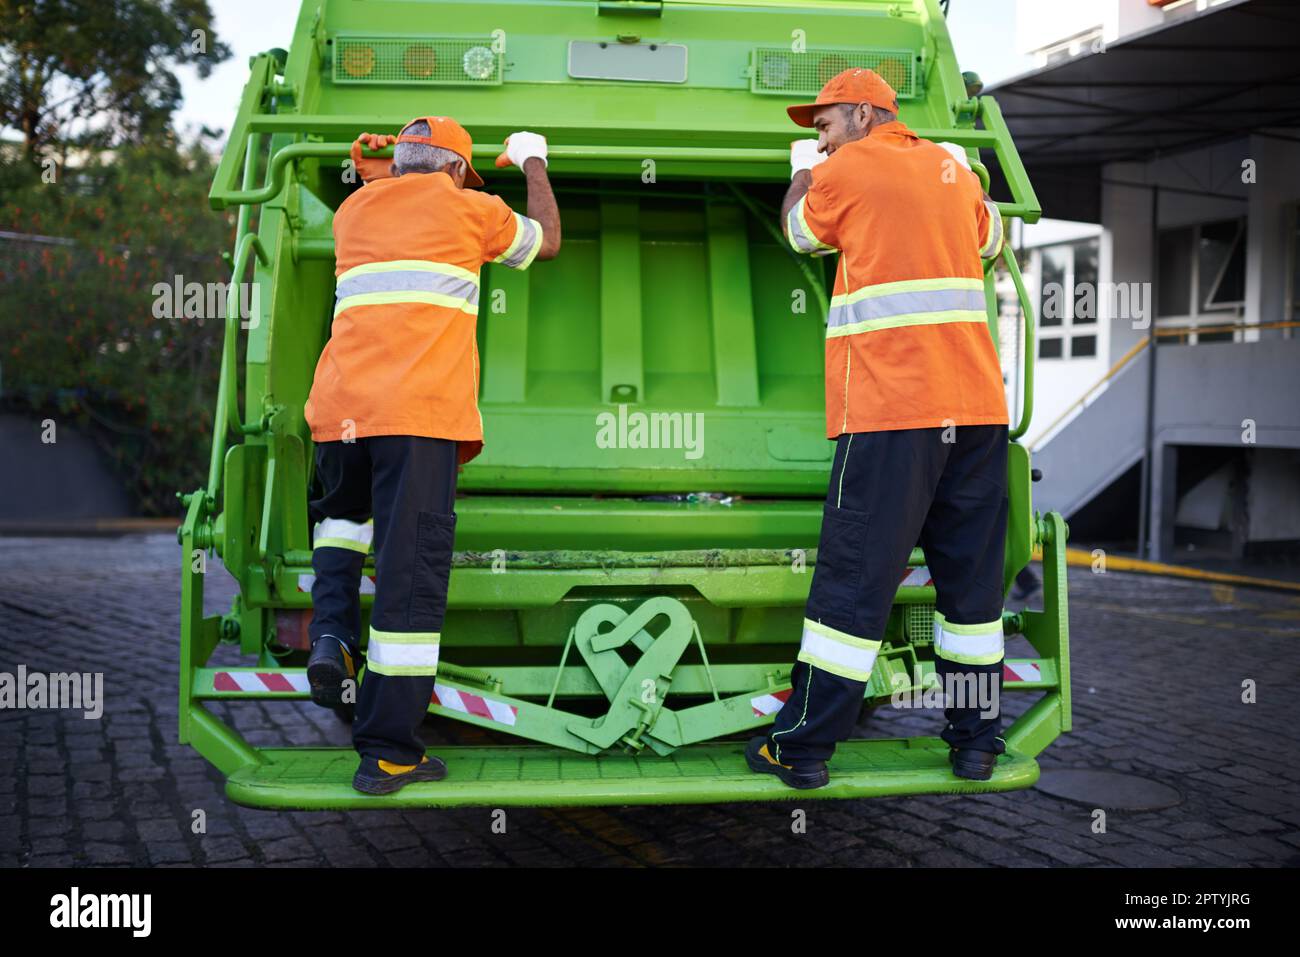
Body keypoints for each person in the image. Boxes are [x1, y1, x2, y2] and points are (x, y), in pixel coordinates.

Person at [746, 69, 1009, 789]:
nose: (818, 138)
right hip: (978, 414)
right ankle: (976, 743)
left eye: (824, 124)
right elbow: (989, 244)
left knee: (853, 588)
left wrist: (802, 175)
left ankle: (802, 749)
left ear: (864, 113)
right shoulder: (953, 164)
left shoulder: (847, 169)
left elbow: (799, 233)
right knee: (971, 597)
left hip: (892, 414)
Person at [302, 116, 561, 794]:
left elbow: (388, 176)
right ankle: (388, 750)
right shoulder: (471, 209)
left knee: (341, 523)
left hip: (340, 412)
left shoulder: (355, 209)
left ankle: (330, 633)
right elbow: (549, 242)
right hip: (415, 420)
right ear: (452, 171)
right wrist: (533, 162)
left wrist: (376, 159)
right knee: (407, 579)